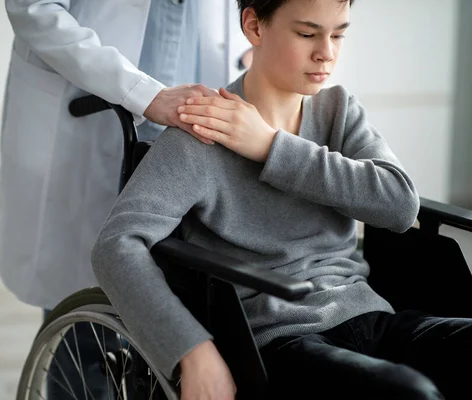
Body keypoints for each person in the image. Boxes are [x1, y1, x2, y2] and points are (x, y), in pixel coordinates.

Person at [91, 0, 472, 399]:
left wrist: (271, 146)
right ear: (255, 26)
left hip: (368, 313)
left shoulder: (337, 111)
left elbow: (399, 206)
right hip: (278, 341)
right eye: (307, 33)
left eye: (338, 34)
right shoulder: (202, 133)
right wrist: (191, 350)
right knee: (410, 393)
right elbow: (116, 246)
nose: (327, 52)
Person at [0, 0, 251, 397]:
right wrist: (143, 94)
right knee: (86, 310)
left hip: (198, 99)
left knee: (184, 289)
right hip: (95, 98)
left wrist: (256, 46)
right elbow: (34, 8)